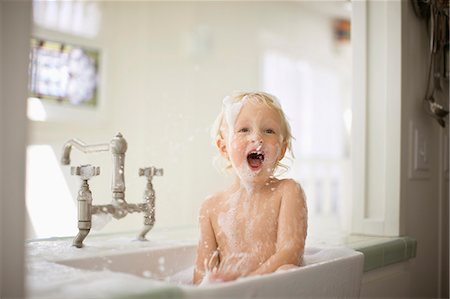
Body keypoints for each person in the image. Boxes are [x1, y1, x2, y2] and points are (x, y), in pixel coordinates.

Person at [193, 91, 308, 284]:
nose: (257, 138)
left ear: (281, 149)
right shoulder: (211, 207)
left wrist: (248, 283)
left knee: (287, 270)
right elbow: (202, 272)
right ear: (224, 148)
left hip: (267, 289)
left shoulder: (287, 192)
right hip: (227, 294)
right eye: (244, 129)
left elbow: (291, 253)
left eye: (269, 131)